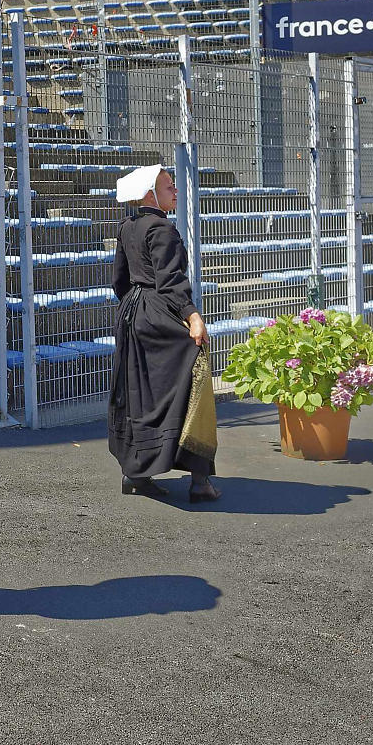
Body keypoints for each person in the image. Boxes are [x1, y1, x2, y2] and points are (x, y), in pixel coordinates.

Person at [106, 164, 218, 503]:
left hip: (131, 314)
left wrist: (134, 307)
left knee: (139, 390)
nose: (176, 191)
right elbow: (170, 281)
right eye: (169, 187)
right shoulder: (163, 228)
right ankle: (199, 479)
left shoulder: (127, 226)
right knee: (195, 371)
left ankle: (135, 474)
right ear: (150, 194)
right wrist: (193, 316)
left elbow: (119, 280)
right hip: (158, 311)